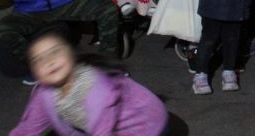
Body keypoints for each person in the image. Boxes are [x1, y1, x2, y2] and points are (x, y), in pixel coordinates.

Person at [9, 25, 168, 135]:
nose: (49, 61)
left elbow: (102, 132)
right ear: (34, 73)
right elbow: (27, 128)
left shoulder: (98, 90)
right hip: (94, 127)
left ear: (72, 54)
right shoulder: (44, 92)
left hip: (147, 126)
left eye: (55, 52)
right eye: (39, 60)